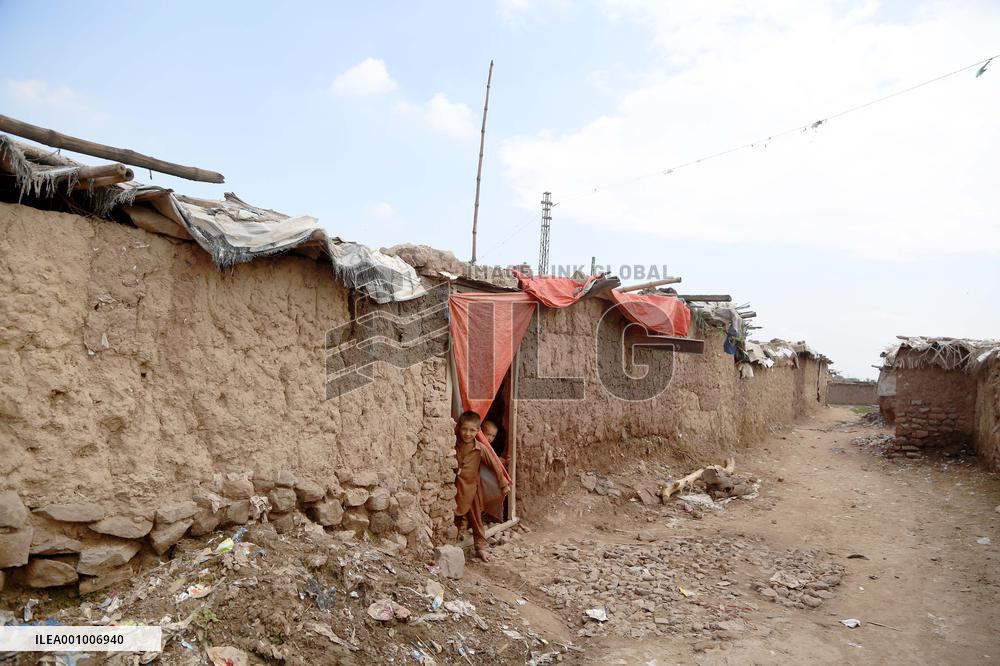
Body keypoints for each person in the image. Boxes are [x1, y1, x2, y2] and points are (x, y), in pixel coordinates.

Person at [454, 411, 508, 561]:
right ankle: (454, 543)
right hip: (457, 488)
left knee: (477, 520)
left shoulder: (480, 449)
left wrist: (503, 483)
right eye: (464, 429)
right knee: (456, 515)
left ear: (478, 431)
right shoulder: (454, 444)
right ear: (459, 428)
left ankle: (481, 548)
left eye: (472, 430)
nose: (467, 433)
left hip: (474, 490)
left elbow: (495, 465)